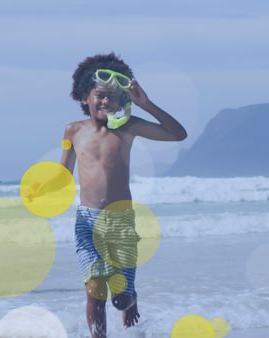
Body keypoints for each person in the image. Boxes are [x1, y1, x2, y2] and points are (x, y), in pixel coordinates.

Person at [32, 53, 186, 337]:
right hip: (87, 223)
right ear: (84, 97)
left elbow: (178, 135)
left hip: (121, 221)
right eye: (100, 95)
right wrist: (43, 189)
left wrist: (146, 103)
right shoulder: (73, 131)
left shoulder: (128, 128)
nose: (105, 101)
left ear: (121, 100)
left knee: (120, 299)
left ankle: (130, 298)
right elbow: (64, 173)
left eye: (112, 97)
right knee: (94, 290)